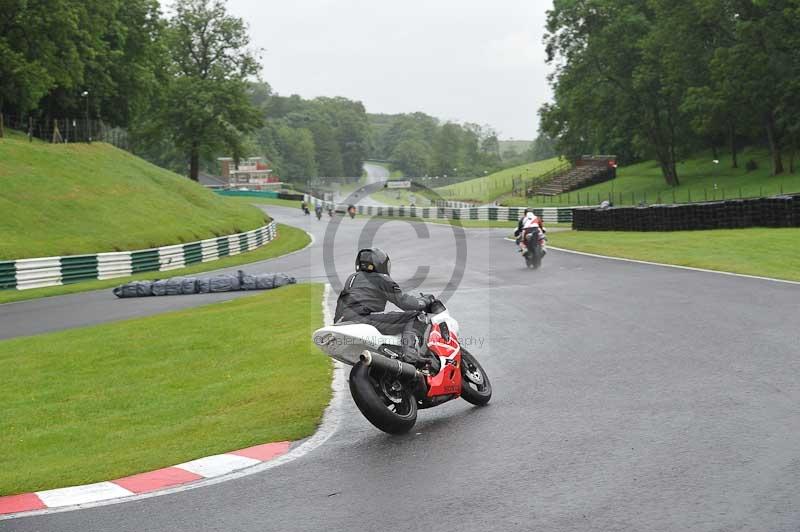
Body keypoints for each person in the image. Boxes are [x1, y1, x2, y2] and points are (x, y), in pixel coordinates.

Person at [334, 248, 435, 367]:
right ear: (381, 264)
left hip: (344, 321)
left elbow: (341, 301)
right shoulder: (382, 279)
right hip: (364, 318)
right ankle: (411, 355)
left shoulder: (352, 279)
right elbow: (406, 304)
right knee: (416, 317)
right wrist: (425, 301)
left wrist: (337, 323)